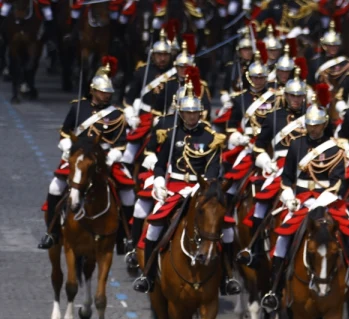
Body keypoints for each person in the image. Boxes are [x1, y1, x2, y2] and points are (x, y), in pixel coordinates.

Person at [260, 98, 349, 314]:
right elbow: (287, 177)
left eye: (317, 125)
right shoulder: (296, 144)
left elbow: (338, 182)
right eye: (310, 125)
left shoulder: (335, 149)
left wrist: (320, 201)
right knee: (283, 234)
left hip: (327, 200)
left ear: (324, 125)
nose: (313, 129)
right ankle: (274, 289)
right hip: (301, 199)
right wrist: (288, 194)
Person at [131, 79, 238, 296]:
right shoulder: (171, 135)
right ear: (181, 113)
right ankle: (148, 276)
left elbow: (213, 169)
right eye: (188, 113)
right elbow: (161, 165)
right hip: (174, 187)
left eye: (195, 112)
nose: (191, 116)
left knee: (227, 231)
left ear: (200, 113)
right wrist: (160, 181)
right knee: (153, 227)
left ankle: (227, 276)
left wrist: (200, 189)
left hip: (200, 189)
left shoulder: (210, 138)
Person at [40, 60, 133, 252]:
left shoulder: (117, 115)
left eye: (108, 92)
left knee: (128, 194)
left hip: (105, 158)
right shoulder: (78, 107)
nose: (106, 95)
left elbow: (122, 142)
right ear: (93, 91)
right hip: (79, 157)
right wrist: (66, 145)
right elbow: (65, 131)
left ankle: (125, 238)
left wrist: (114, 154)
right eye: (102, 92)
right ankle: (52, 231)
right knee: (55, 187)